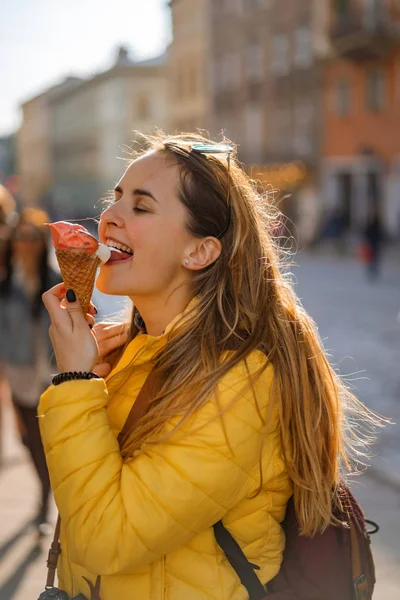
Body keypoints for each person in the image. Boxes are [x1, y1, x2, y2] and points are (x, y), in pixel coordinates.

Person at [39, 134, 376, 600]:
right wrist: (93, 381)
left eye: (141, 207)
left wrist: (74, 384)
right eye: (115, 198)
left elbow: (104, 538)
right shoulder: (129, 353)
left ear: (199, 252)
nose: (109, 216)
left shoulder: (239, 381)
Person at [0, 210, 62, 535]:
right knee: (27, 440)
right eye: (20, 238)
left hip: (50, 374)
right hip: (20, 373)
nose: (26, 244)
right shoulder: (7, 283)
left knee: (43, 441)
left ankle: (44, 501)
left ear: (41, 243)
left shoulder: (54, 279)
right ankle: (45, 494)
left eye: (32, 238)